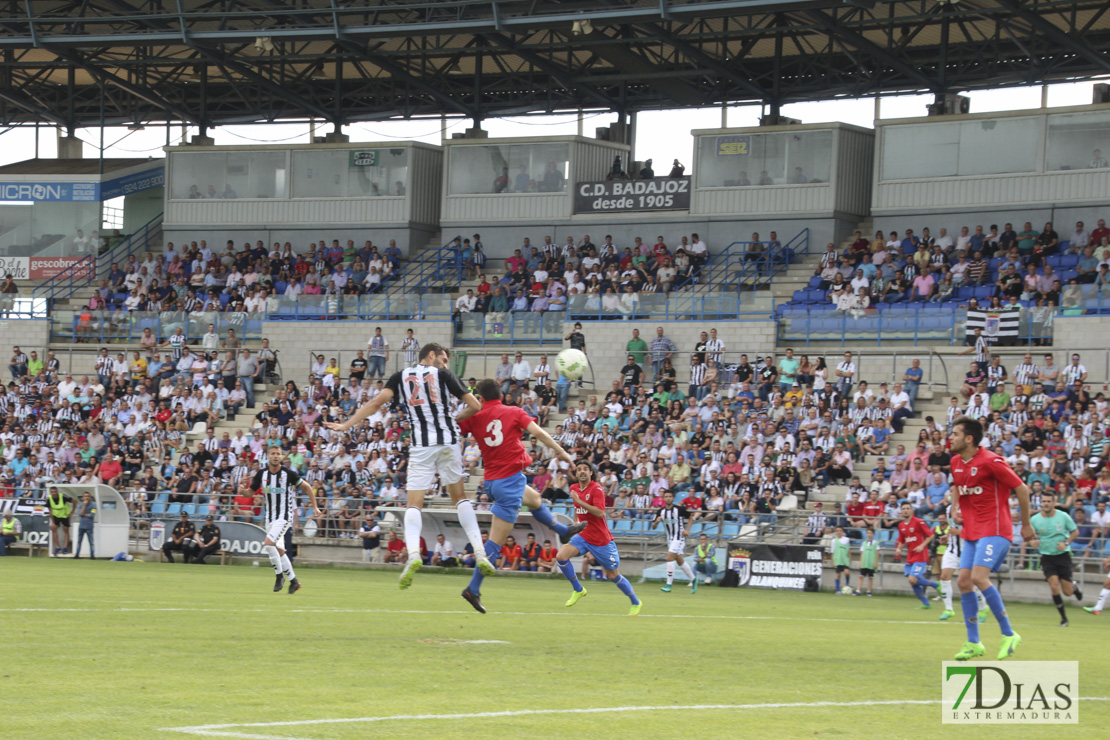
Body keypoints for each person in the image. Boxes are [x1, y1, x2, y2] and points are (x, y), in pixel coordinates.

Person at [324, 343, 484, 590]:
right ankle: (481, 554)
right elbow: (475, 406)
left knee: (413, 504)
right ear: (431, 355)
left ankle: (412, 556)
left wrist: (347, 425)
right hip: (448, 441)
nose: (445, 364)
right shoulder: (444, 375)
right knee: (460, 498)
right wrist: (451, 419)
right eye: (443, 359)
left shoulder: (401, 376)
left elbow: (376, 403)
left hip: (421, 445)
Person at [457, 378, 583, 613]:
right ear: (501, 396)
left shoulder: (473, 416)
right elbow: (540, 433)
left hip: (496, 481)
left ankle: (564, 532)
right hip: (507, 482)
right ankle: (472, 589)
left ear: (481, 399)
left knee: (535, 499)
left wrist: (469, 406)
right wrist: (563, 453)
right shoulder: (513, 411)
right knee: (495, 543)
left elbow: (454, 425)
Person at [949, 415, 1033, 661]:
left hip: (995, 529)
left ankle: (1009, 634)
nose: (950, 438)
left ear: (969, 438)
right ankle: (974, 643)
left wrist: (1026, 524)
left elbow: (1022, 488)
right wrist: (955, 508)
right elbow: (956, 485)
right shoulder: (956, 462)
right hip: (972, 531)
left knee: (978, 577)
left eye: (955, 434)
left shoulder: (992, 461)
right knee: (964, 581)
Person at [555, 462, 643, 616]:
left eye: (585, 469)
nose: (582, 472)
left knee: (613, 576)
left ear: (591, 473)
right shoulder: (574, 488)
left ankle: (635, 601)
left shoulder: (597, 489)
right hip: (584, 535)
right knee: (561, 556)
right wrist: (576, 521)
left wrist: (580, 501)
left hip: (601, 540)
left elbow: (600, 513)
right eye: (579, 470)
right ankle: (578, 589)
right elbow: (577, 508)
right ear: (576, 474)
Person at [243, 446, 322, 593]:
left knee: (268, 544)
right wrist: (242, 490)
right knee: (278, 550)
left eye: (278, 454)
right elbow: (249, 493)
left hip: (284, 517)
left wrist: (315, 507)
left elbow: (307, 487)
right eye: (272, 454)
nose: (275, 456)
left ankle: (279, 576)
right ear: (268, 456)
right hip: (270, 518)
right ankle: (294, 582)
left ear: (281, 457)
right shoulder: (262, 474)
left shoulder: (289, 474)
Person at [1028, 492, 1083, 627]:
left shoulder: (1063, 516)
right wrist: (1032, 543)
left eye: (1048, 501)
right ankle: (1064, 619)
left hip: (1063, 555)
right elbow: (1030, 537)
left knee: (1068, 592)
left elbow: (1075, 532)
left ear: (1054, 503)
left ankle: (1074, 587)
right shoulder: (1035, 519)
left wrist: (1066, 543)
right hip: (1047, 557)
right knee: (1053, 586)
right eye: (1044, 501)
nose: (1046, 503)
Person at [935, 510, 988, 623]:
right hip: (952, 550)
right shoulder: (950, 508)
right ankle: (948, 609)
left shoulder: (971, 505)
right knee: (944, 576)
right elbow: (952, 526)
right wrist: (947, 535)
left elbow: (977, 531)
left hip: (968, 550)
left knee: (972, 581)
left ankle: (983, 608)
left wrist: (958, 533)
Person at [894, 502, 941, 608]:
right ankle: (926, 604)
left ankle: (936, 585)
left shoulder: (919, 522)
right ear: (901, 511)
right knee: (912, 582)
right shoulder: (901, 525)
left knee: (912, 579)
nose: (905, 510)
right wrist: (899, 549)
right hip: (910, 556)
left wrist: (921, 545)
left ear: (911, 510)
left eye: (907, 508)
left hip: (920, 555)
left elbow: (931, 535)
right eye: (903, 508)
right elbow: (902, 540)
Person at [652, 490, 700, 593]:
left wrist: (687, 530)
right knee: (679, 560)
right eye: (666, 496)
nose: (668, 498)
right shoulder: (660, 512)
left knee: (670, 557)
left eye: (670, 496)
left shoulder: (679, 509)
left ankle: (669, 584)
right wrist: (657, 521)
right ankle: (694, 579)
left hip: (679, 537)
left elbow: (691, 517)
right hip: (670, 538)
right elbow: (653, 526)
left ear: (673, 498)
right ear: (664, 498)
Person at [46, 486, 74, 556]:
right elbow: (50, 511)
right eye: (52, 492)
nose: (54, 493)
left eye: (55, 492)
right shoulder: (49, 499)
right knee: (53, 528)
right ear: (50, 492)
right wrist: (52, 522)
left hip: (65, 514)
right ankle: (57, 547)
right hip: (56, 515)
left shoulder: (63, 496)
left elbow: (74, 501)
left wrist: (72, 512)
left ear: (57, 491)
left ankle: (65, 547)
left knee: (66, 529)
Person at [831, 526, 853, 595]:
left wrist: (850, 559)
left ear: (842, 531)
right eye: (837, 531)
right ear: (835, 532)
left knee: (847, 572)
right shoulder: (834, 541)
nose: (839, 532)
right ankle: (838, 590)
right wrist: (832, 561)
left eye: (840, 530)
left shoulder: (846, 539)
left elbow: (849, 550)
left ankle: (847, 585)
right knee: (838, 574)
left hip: (845, 559)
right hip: (838, 559)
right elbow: (832, 551)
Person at [74, 492, 97, 559]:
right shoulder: (80, 506)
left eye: (88, 496)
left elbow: (92, 515)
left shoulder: (93, 506)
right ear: (83, 497)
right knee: (79, 541)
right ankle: (77, 555)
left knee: (91, 542)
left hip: (89, 526)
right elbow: (80, 514)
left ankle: (92, 556)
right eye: (85, 496)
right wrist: (84, 506)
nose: (86, 497)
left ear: (89, 497)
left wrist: (84, 514)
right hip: (81, 526)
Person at [857, 528, 879, 596]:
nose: (869, 534)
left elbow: (877, 553)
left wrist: (876, 562)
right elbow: (862, 553)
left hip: (871, 563)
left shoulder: (876, 543)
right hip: (865, 562)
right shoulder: (864, 543)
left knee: (870, 577)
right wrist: (860, 562)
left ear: (873, 534)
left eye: (871, 533)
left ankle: (868, 591)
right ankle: (858, 590)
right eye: (868, 533)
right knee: (861, 576)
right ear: (866, 534)